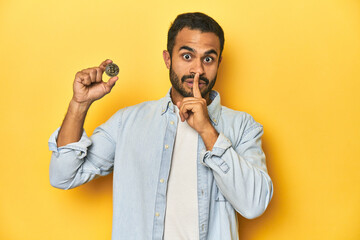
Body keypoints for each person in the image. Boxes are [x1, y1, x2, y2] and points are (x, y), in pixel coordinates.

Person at [49, 12, 273, 240]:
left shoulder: (244, 127)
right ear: (168, 59)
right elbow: (63, 175)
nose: (198, 70)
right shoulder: (127, 122)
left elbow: (254, 204)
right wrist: (79, 104)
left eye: (208, 59)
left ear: (218, 63)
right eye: (187, 56)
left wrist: (208, 130)